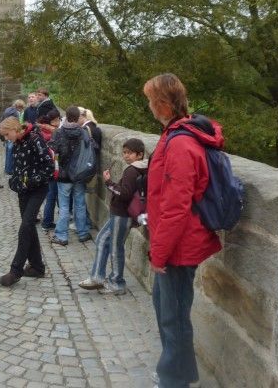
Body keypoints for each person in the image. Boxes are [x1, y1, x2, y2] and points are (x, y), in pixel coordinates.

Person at [143, 73, 223, 388]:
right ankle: (183, 373)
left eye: (151, 100)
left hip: (178, 246)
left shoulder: (180, 142)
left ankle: (173, 381)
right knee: (167, 309)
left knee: (173, 316)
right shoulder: (176, 134)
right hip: (175, 242)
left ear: (162, 104)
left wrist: (159, 253)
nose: (149, 106)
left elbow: (176, 206)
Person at [78, 138, 147, 296]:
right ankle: (97, 276)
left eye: (130, 153)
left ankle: (116, 282)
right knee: (103, 240)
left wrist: (109, 182)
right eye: (124, 152)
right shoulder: (141, 168)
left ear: (140, 154)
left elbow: (125, 194)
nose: (126, 156)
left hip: (122, 214)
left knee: (115, 247)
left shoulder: (132, 170)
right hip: (122, 214)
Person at [0, 116, 55, 287]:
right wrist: (15, 182)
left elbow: (49, 167)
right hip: (23, 192)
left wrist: (31, 181)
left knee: (25, 227)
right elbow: (18, 167)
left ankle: (16, 271)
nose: (6, 139)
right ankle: (37, 266)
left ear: (15, 129)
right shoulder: (17, 143)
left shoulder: (35, 139)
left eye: (7, 134)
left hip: (38, 189)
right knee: (28, 226)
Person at [49, 106, 91, 245]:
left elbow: (52, 151)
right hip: (79, 174)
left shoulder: (59, 132)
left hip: (64, 175)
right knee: (80, 204)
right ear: (78, 117)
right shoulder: (83, 132)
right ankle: (83, 232)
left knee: (64, 205)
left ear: (66, 116)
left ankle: (62, 235)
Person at [37, 110, 61, 230]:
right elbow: (54, 153)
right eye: (56, 120)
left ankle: (47, 221)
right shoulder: (51, 134)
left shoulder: (40, 132)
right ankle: (47, 222)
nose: (58, 122)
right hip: (53, 168)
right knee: (52, 196)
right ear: (50, 122)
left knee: (50, 196)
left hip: (46, 168)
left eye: (59, 119)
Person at [0, 99, 25, 175]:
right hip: (11, 133)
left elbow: (2, 120)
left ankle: (7, 168)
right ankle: (10, 169)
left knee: (8, 151)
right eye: (20, 107)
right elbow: (15, 124)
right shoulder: (15, 113)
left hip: (7, 133)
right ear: (18, 106)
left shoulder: (7, 110)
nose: (21, 109)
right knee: (11, 151)